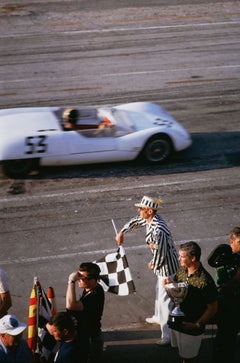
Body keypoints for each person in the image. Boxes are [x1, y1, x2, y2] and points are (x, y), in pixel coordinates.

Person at [115, 195, 179, 345]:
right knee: (159, 292)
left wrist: (153, 264)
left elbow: (161, 253)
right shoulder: (149, 218)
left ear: (149, 211)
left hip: (166, 267)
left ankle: (167, 335)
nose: (139, 211)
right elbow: (136, 221)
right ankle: (158, 317)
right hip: (161, 264)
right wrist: (122, 231)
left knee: (165, 300)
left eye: (141, 209)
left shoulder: (158, 230)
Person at [165, 241, 218, 363]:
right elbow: (178, 287)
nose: (178, 259)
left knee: (189, 358)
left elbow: (213, 308)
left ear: (193, 258)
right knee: (181, 354)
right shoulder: (182, 270)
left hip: (191, 326)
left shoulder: (205, 281)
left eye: (182, 257)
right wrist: (170, 284)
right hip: (177, 320)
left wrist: (197, 325)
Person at [211, 227, 240, 363]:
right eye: (239, 242)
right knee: (225, 342)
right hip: (229, 309)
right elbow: (225, 288)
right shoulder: (223, 260)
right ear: (231, 242)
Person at [66, 262, 105, 363]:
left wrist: (71, 282)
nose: (78, 280)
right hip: (89, 334)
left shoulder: (94, 296)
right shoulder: (91, 288)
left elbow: (70, 305)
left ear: (92, 280)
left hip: (90, 339)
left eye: (81, 278)